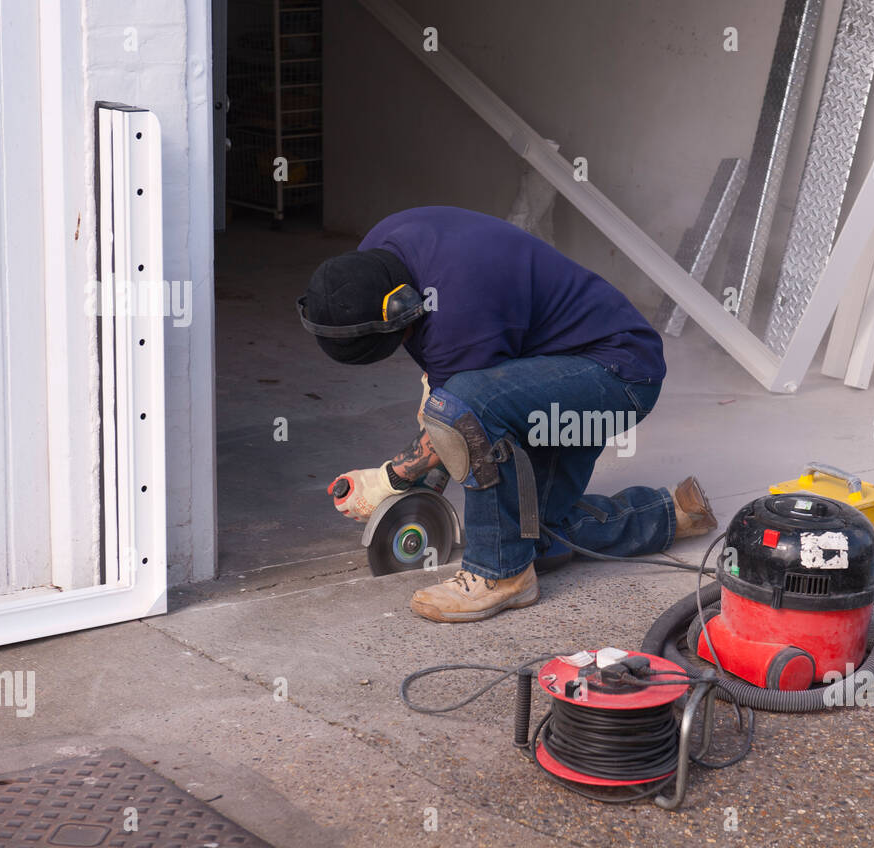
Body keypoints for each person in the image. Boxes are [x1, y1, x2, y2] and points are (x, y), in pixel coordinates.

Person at [298, 206, 715, 623]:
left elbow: (459, 416)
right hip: (550, 367)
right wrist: (426, 466)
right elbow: (444, 391)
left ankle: (499, 575)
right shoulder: (378, 257)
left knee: (462, 410)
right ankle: (670, 512)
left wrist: (389, 479)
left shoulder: (459, 303)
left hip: (618, 378)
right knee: (532, 534)